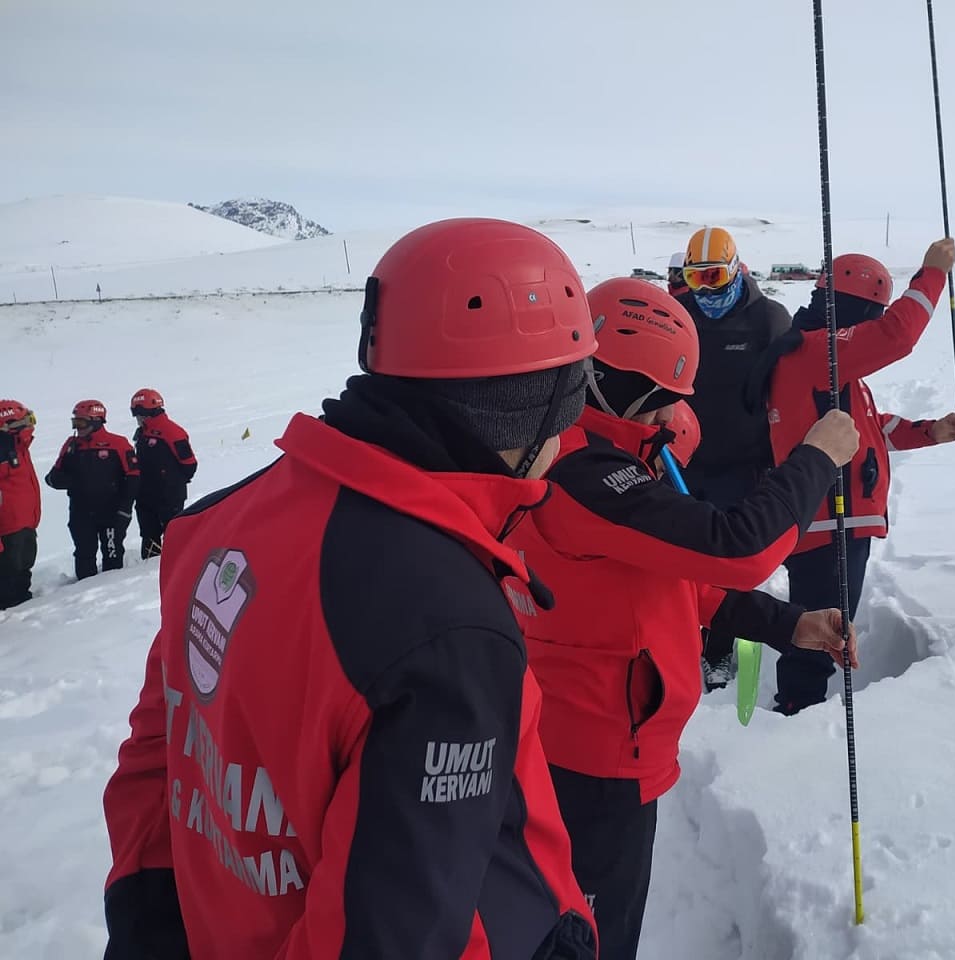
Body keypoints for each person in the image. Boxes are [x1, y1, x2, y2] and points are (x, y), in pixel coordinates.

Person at [101, 219, 599, 960]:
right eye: (568, 412)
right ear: (526, 411)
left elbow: (163, 747)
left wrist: (149, 933)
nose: (567, 444)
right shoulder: (446, 629)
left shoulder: (222, 520)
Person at [505, 277, 860, 960]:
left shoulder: (589, 456)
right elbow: (739, 544)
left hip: (592, 740)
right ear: (620, 384)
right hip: (597, 759)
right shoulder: (587, 475)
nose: (671, 417)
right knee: (591, 937)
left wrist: (788, 625)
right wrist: (817, 456)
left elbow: (677, 583)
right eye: (664, 400)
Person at [746, 239, 955, 715]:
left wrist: (933, 431)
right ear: (853, 309)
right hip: (830, 526)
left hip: (837, 528)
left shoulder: (829, 369)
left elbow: (872, 429)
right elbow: (897, 336)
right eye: (871, 315)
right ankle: (795, 718)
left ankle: (797, 710)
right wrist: (932, 273)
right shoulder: (813, 354)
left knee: (823, 626)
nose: (872, 328)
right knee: (821, 632)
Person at [675, 225, 794, 689]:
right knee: (680, 557)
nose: (704, 289)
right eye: (694, 276)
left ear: (735, 268)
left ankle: (721, 649)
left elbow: (794, 385)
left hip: (742, 462)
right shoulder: (681, 312)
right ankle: (684, 635)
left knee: (728, 562)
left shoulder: (767, 319)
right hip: (682, 459)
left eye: (713, 277)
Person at [44, 400, 139, 580]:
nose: (77, 428)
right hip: (81, 513)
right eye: (75, 423)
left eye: (81, 423)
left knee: (112, 554)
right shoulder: (71, 445)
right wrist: (70, 480)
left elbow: (134, 477)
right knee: (84, 554)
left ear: (96, 421)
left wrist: (125, 509)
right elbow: (52, 478)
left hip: (112, 512)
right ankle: (84, 596)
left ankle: (114, 596)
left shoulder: (118, 444)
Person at [130, 388, 198, 558]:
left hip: (169, 495)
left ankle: (174, 565)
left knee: (173, 535)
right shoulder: (142, 433)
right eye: (136, 414)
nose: (138, 418)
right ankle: (148, 568)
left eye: (141, 413)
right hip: (145, 495)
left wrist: (171, 482)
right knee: (148, 536)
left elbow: (189, 464)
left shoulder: (172, 431)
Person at [0, 400, 40, 609]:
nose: (29, 426)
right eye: (25, 421)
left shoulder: (20, 447)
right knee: (8, 580)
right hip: (7, 530)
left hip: (26, 523)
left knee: (24, 570)